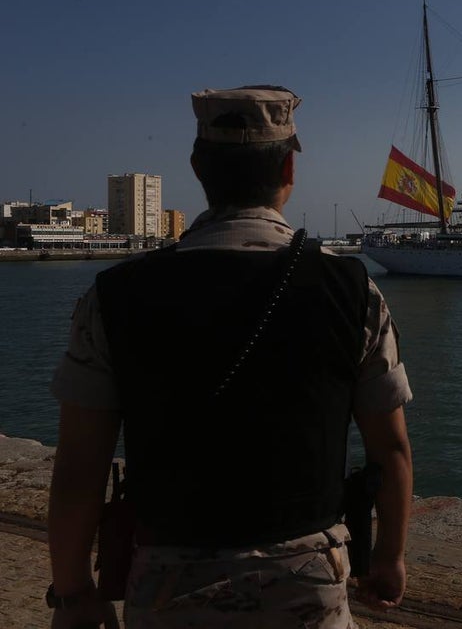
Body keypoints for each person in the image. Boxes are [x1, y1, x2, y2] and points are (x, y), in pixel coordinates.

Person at [47, 85, 413, 628]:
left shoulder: (113, 296)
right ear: (289, 170)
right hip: (308, 581)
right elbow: (392, 450)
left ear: (198, 168)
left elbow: (79, 467)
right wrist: (387, 557)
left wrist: (76, 591)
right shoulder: (353, 290)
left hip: (168, 583)